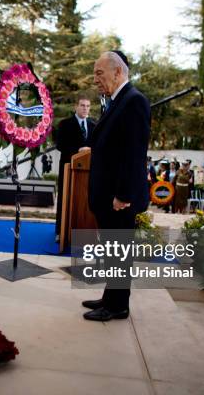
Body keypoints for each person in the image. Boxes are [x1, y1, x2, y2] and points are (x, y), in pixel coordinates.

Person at [82, 50, 150, 322]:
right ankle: (110, 297)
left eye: (100, 72)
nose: (95, 78)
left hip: (118, 197)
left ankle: (118, 306)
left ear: (117, 71)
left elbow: (134, 152)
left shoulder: (134, 101)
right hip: (107, 194)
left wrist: (123, 195)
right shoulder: (117, 100)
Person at [54, 95, 97, 239]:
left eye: (88, 106)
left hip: (87, 171)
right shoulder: (65, 124)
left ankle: (84, 232)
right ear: (76, 107)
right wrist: (78, 151)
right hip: (68, 168)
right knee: (64, 199)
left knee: (86, 200)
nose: (85, 108)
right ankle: (60, 231)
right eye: (82, 105)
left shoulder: (94, 125)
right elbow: (60, 145)